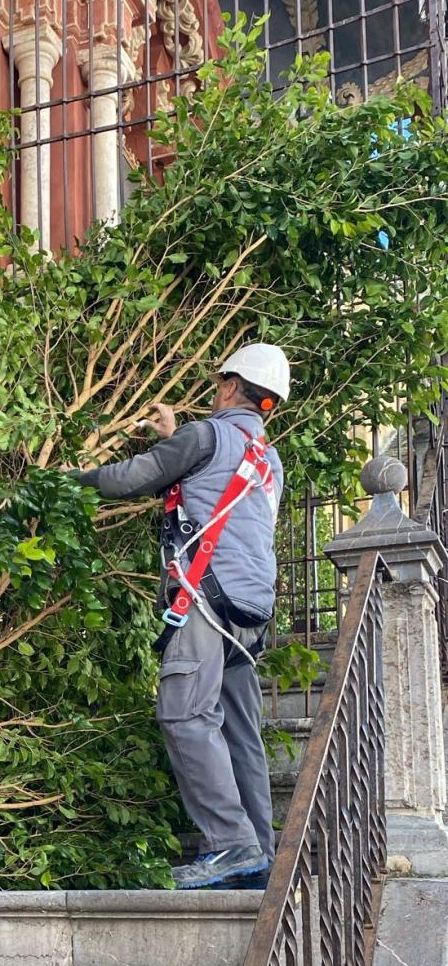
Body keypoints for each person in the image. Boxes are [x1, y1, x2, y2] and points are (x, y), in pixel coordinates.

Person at [69, 343, 288, 890]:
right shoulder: (266, 458)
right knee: (239, 729)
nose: (216, 392)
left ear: (232, 386)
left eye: (219, 383)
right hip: (251, 610)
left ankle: (230, 844)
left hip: (204, 599)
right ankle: (259, 855)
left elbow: (130, 479)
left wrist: (71, 479)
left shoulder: (205, 435)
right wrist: (174, 436)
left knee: (185, 714)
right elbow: (211, 486)